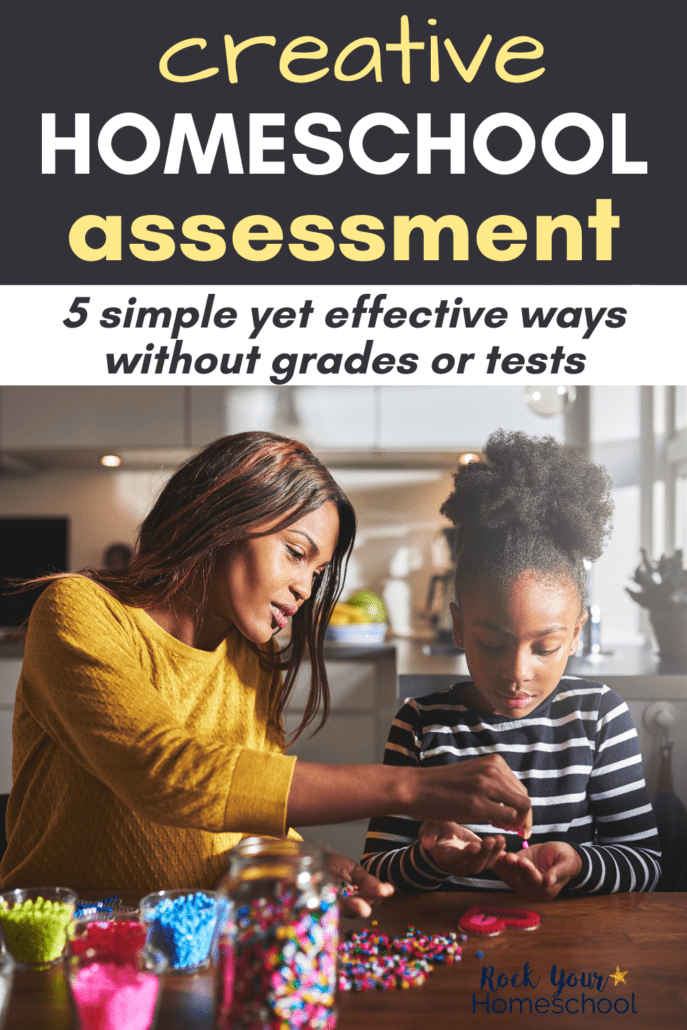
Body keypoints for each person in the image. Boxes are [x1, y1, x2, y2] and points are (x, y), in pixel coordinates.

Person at [0, 432, 530, 913]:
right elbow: (169, 774)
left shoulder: (251, 658)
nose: (306, 587)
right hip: (63, 942)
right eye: (296, 553)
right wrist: (412, 788)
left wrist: (293, 863)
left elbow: (240, 811)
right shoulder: (79, 610)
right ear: (224, 519)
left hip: (198, 945)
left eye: (317, 572)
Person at [362, 430, 661, 900]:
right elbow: (374, 871)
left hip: (570, 959)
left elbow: (644, 863)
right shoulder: (420, 725)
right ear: (459, 627)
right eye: (491, 644)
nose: (517, 671)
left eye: (544, 648)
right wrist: (429, 859)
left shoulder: (599, 717)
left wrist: (578, 864)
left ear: (576, 633)